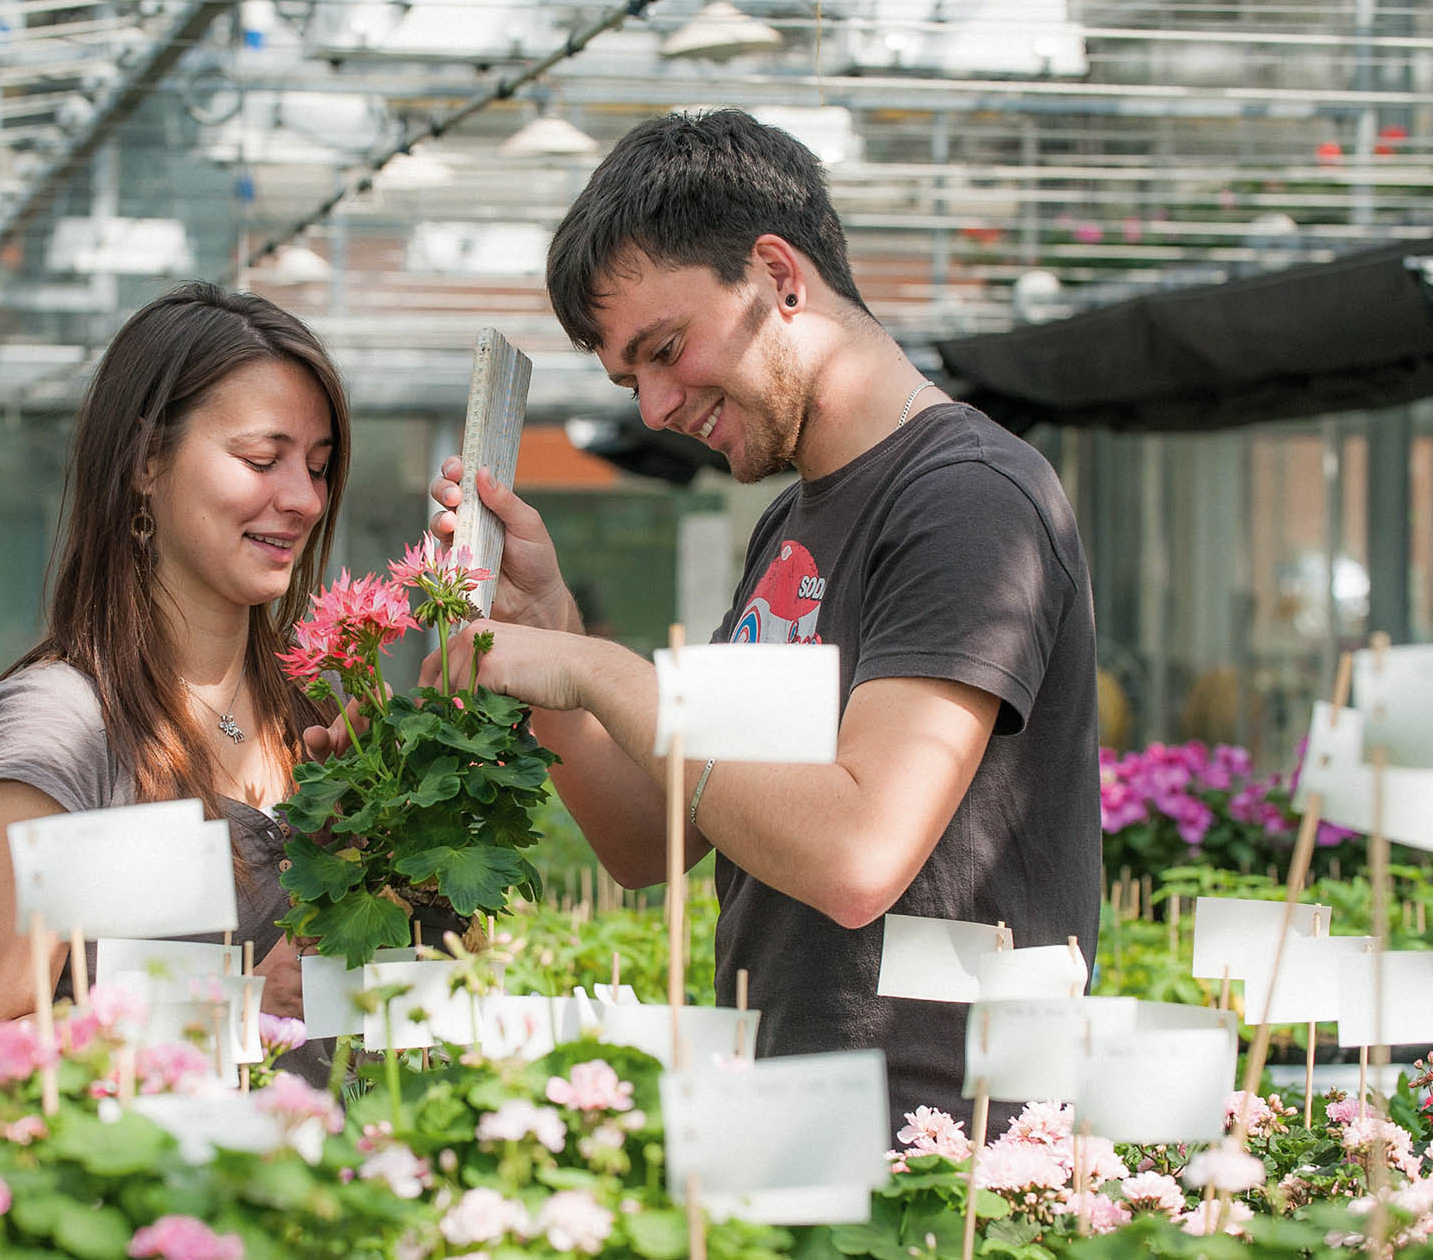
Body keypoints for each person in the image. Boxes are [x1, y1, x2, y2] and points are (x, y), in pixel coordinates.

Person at [419, 109, 1100, 1133]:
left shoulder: (969, 498)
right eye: (626, 378)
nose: (652, 406)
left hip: (941, 1158)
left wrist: (601, 670)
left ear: (780, 275)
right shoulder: (792, 522)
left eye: (664, 348)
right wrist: (543, 644)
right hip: (795, 1117)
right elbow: (659, 839)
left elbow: (858, 853)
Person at [0, 281, 350, 1056]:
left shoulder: (315, 716)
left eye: (319, 468)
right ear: (145, 462)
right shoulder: (58, 730)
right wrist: (250, 1004)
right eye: (263, 458)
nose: (303, 499)